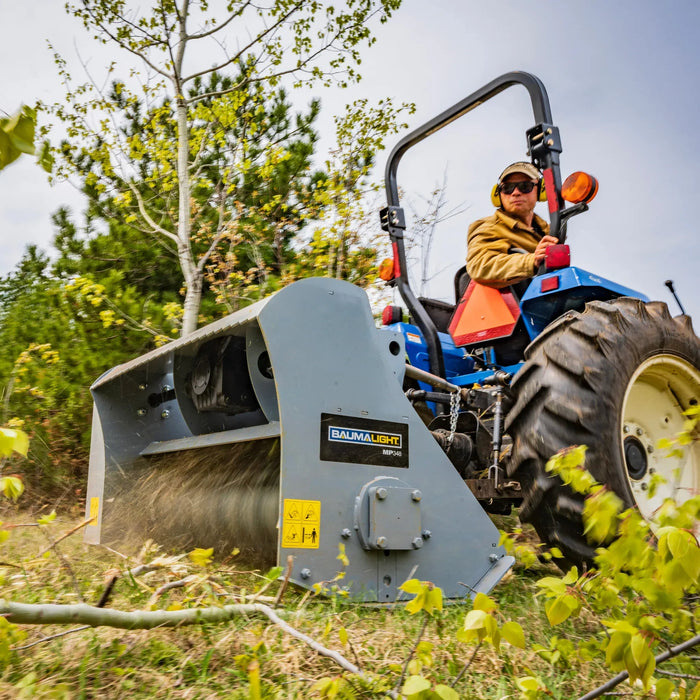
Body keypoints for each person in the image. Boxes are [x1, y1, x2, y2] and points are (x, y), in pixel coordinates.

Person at [466, 162, 558, 289]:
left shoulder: (550, 231)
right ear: (498, 195)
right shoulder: (489, 227)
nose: (515, 193)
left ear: (541, 190)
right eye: (507, 188)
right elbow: (480, 266)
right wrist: (532, 261)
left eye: (524, 186)